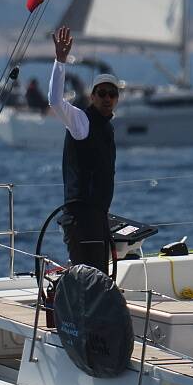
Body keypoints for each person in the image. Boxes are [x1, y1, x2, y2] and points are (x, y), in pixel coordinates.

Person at [48, 25, 119, 274]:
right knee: (87, 278)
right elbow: (55, 101)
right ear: (92, 96)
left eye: (112, 94)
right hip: (81, 218)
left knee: (97, 276)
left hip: (98, 216)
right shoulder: (82, 121)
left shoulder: (107, 127)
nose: (107, 98)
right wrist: (60, 61)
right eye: (102, 93)